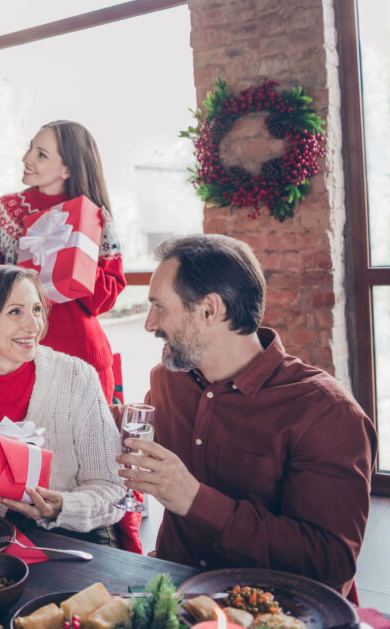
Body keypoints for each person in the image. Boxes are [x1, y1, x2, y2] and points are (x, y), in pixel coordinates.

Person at [119, 234, 377, 596]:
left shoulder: (326, 413)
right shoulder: (168, 381)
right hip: (177, 596)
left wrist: (196, 500)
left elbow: (330, 564)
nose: (149, 324)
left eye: (159, 306)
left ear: (210, 310)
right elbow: (141, 445)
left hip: (279, 609)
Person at [0, 264, 125, 546]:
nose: (34, 325)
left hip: (79, 535)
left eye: (36, 310)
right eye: (15, 312)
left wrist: (62, 507)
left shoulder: (77, 377)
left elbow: (113, 489)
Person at [0, 120, 124, 401]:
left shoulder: (95, 217)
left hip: (83, 358)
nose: (26, 158)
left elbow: (103, 302)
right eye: (30, 148)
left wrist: (76, 252)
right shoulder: (6, 210)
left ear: (67, 168)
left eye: (41, 154)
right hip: (17, 357)